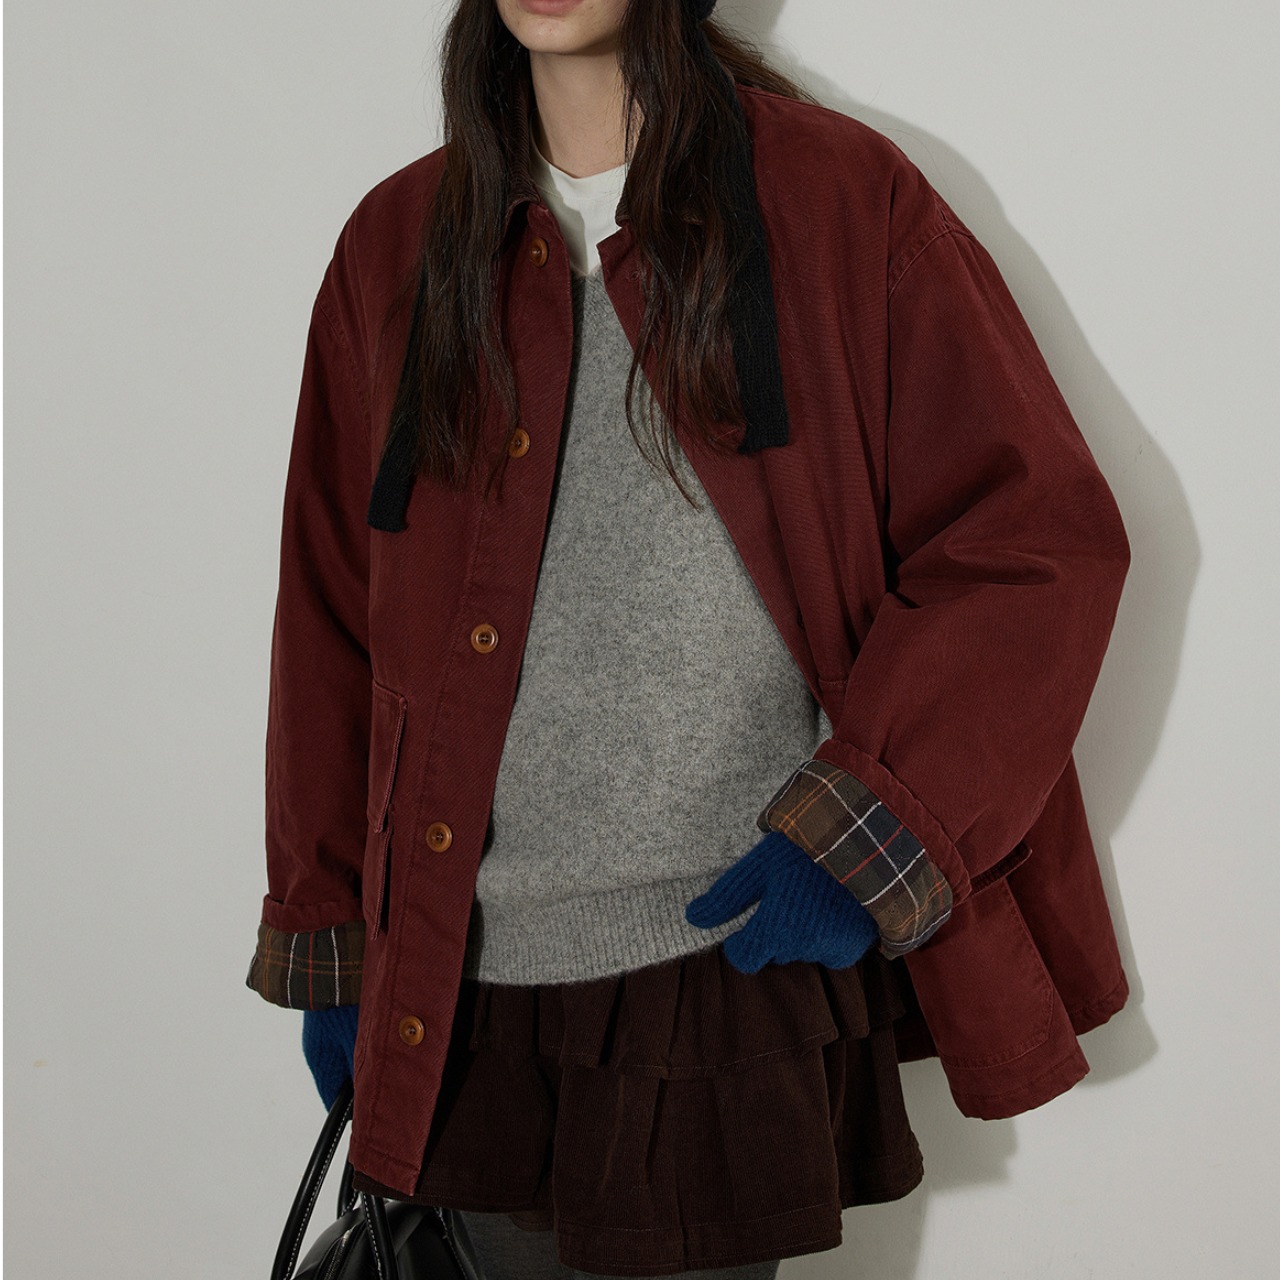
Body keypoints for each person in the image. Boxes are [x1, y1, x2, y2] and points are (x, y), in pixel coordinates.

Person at [247, 1, 1132, 1277]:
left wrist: (864, 835)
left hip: (716, 967)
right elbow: (329, 614)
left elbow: (1029, 541)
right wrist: (335, 936)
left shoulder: (835, 198)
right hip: (459, 982)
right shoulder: (396, 241)